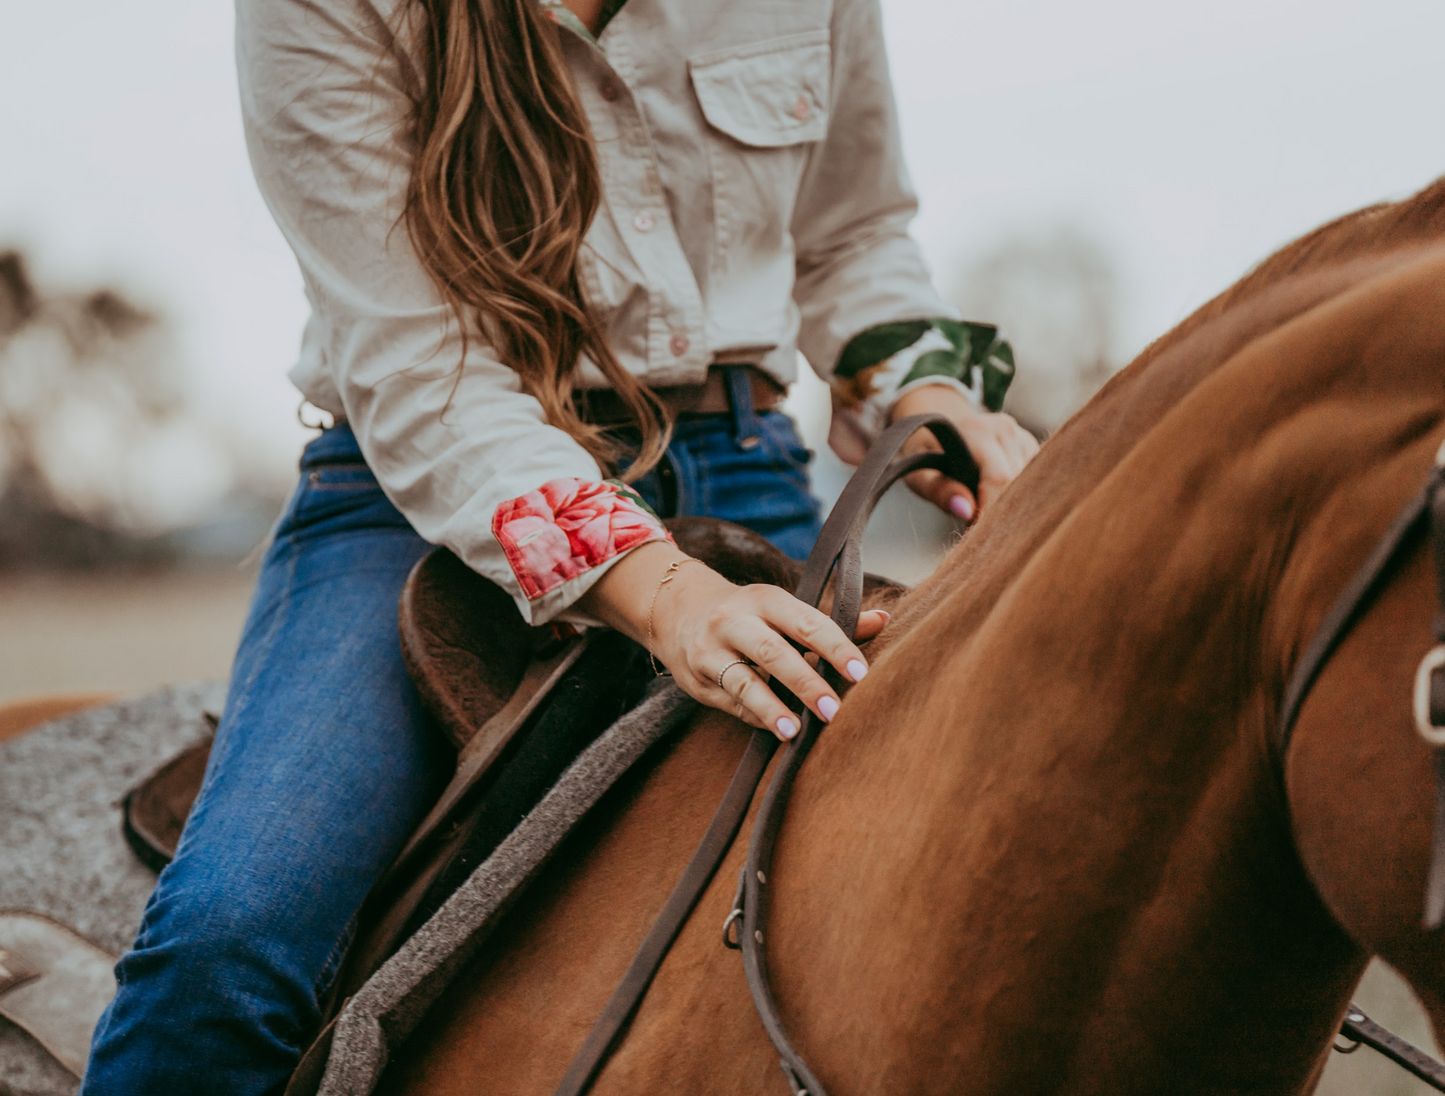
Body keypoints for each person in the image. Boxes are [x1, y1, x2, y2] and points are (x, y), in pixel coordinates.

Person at [81, 0, 1038, 1090]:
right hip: (419, 492)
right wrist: (666, 593)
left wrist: (920, 384)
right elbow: (416, 369)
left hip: (742, 460)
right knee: (230, 936)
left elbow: (854, 235)